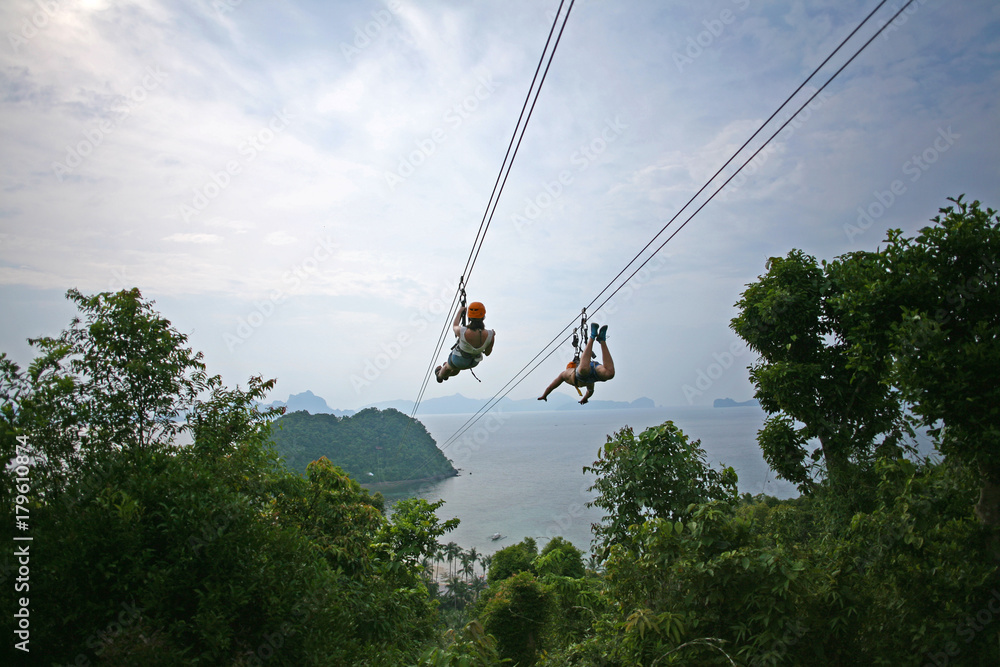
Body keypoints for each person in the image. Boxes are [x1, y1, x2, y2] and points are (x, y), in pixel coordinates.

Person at [538, 322, 615, 405]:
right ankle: (602, 340)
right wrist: (585, 398)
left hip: (586, 371)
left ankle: (592, 337)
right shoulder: (588, 383)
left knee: (583, 370)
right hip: (593, 373)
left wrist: (545, 395)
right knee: (610, 374)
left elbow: (551, 386)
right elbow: (590, 392)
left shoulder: (565, 374)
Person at [435, 301, 495, 382]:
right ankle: (446, 374)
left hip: (459, 360)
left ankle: (440, 375)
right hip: (474, 362)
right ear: (483, 317)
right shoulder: (490, 334)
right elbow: (487, 353)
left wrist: (460, 311)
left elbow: (455, 326)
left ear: (469, 317)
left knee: (448, 367)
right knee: (457, 370)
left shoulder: (462, 331)